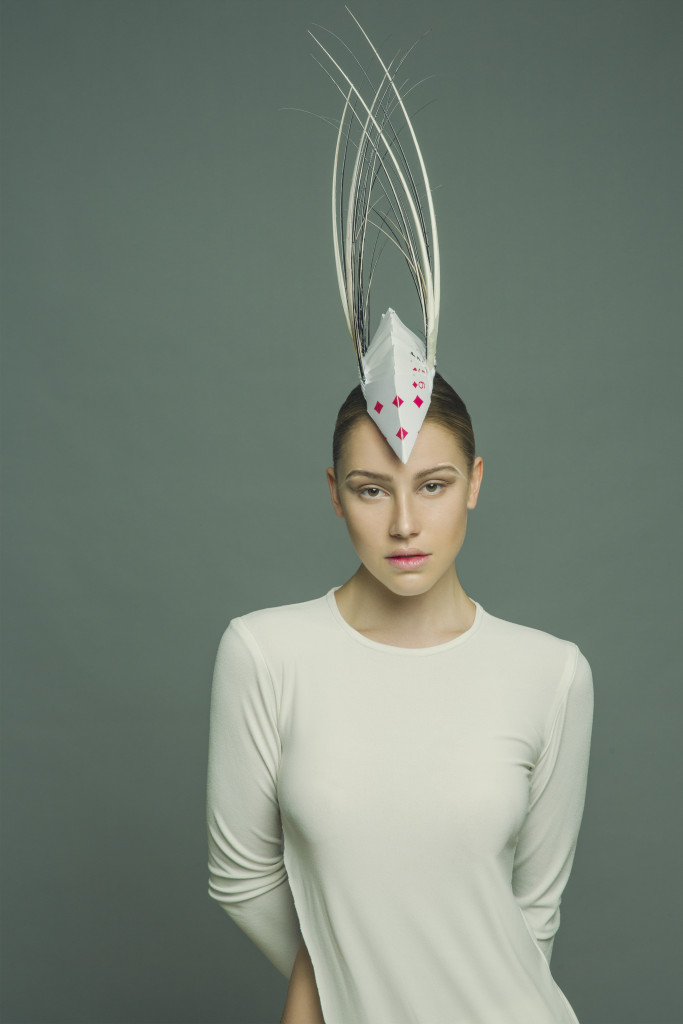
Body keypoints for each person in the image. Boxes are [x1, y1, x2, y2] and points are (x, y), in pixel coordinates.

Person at [205, 18, 594, 1024]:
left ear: (474, 484)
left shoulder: (550, 673)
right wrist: (331, 980)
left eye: (431, 483)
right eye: (372, 489)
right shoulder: (264, 652)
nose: (403, 520)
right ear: (333, 494)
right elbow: (239, 874)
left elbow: (531, 917)